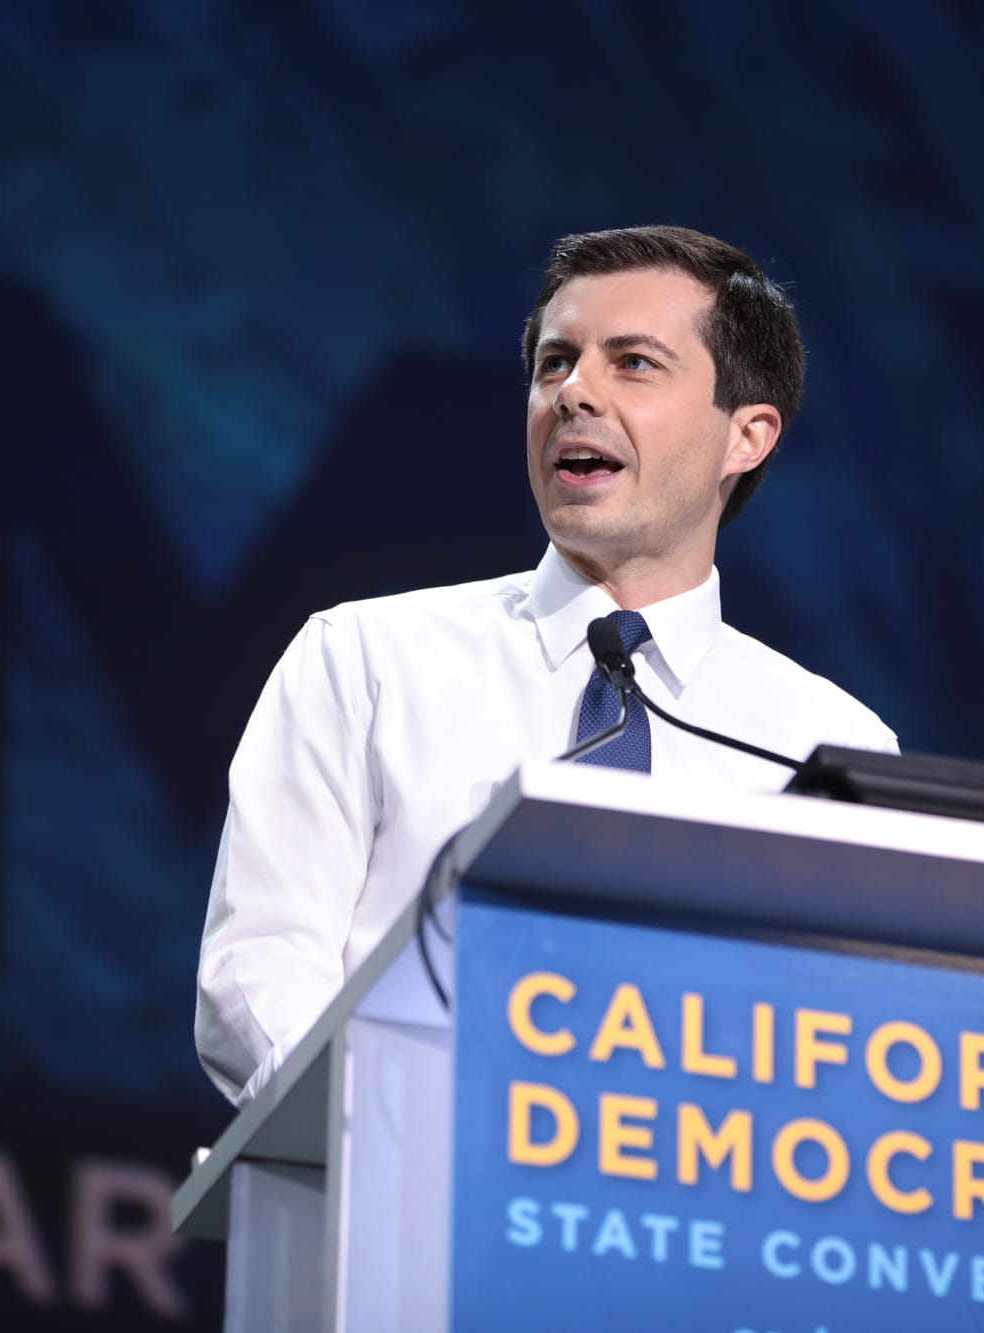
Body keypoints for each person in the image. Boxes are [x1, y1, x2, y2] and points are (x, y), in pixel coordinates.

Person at [195, 225, 897, 1104]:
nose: (574, 394)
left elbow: (853, 1040)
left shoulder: (827, 742)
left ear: (746, 436)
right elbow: (256, 972)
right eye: (555, 363)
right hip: (399, 1195)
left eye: (633, 363)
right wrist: (404, 1125)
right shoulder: (367, 660)